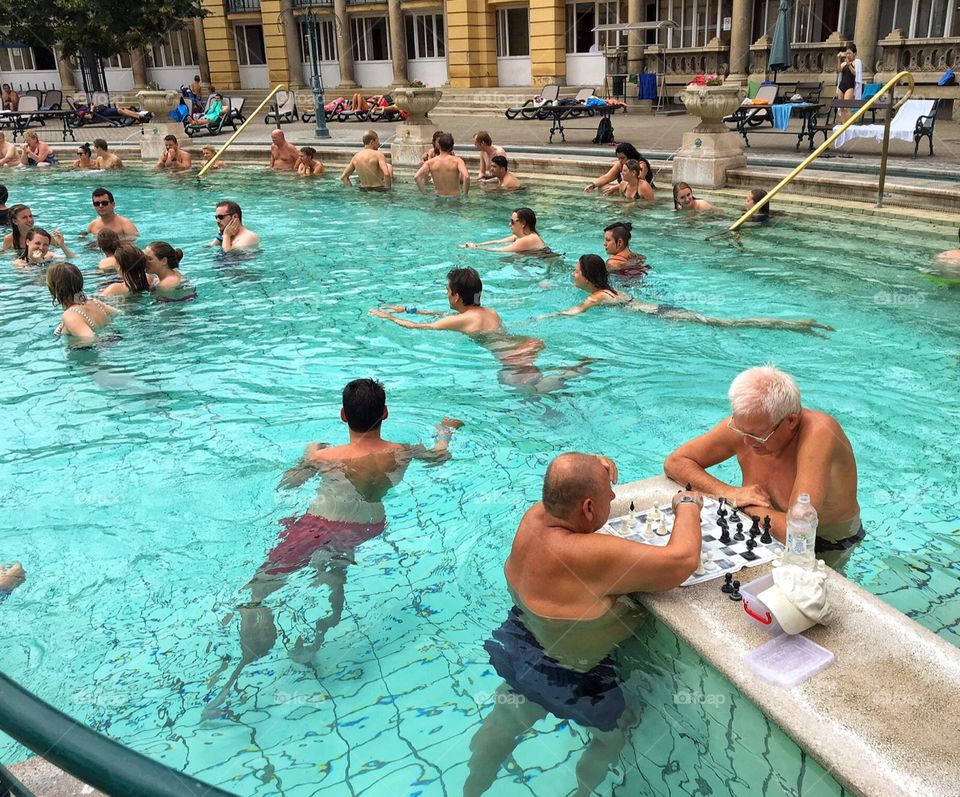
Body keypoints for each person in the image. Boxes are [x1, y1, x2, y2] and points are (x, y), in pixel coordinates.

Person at [202, 378, 463, 716]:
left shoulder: (326, 457)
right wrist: (445, 432)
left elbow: (288, 484)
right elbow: (440, 457)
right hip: (365, 527)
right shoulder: (401, 451)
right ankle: (314, 645)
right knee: (335, 576)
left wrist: (307, 457)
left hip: (317, 525)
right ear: (385, 413)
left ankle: (237, 672)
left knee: (258, 589)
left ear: (342, 415)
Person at [463, 454, 703, 797]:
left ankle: (471, 788)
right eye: (609, 493)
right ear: (588, 508)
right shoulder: (586, 553)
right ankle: (582, 793)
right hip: (571, 671)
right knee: (613, 735)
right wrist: (688, 505)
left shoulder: (533, 517)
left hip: (519, 641)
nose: (614, 497)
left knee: (502, 723)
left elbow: (568, 482)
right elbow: (682, 561)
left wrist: (595, 466)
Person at [664, 365, 864, 569]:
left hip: (828, 542)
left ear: (791, 421)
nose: (747, 443)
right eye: (742, 432)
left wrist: (743, 504)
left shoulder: (820, 434)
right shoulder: (748, 426)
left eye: (757, 436)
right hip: (765, 524)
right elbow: (675, 462)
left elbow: (796, 534)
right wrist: (731, 493)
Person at [370, 267, 590, 393]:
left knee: (531, 394)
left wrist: (388, 317)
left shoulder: (463, 320)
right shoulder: (486, 312)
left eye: (447, 290)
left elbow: (420, 328)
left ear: (456, 296)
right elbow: (446, 315)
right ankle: (574, 370)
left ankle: (571, 374)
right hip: (525, 343)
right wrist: (409, 309)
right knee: (535, 382)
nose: (446, 293)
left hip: (512, 357)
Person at [547, 255, 833, 334]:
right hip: (659, 309)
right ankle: (796, 325)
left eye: (575, 271)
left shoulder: (595, 297)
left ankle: (797, 325)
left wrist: (543, 316)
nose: (572, 275)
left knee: (727, 325)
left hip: (659, 315)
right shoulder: (609, 290)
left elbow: (572, 313)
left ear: (587, 276)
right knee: (724, 322)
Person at [47, 261, 118, 339]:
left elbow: (91, 339)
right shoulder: (95, 302)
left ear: (54, 289)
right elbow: (119, 313)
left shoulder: (70, 315)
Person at [460, 207, 551, 254]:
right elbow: (497, 242)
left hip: (548, 265)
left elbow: (500, 251)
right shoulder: (521, 236)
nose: (509, 224)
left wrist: (475, 248)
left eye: (512, 222)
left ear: (523, 223)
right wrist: (475, 244)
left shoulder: (528, 239)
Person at [414, 132, 469, 197]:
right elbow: (466, 176)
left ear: (439, 145)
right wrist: (465, 194)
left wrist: (424, 193)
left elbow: (416, 177)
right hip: (454, 197)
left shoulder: (430, 162)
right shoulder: (457, 161)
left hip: (438, 197)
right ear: (452, 146)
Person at [836, 43, 863, 123]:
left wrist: (849, 65)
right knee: (841, 108)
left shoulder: (856, 62)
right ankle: (843, 125)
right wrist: (838, 59)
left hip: (849, 86)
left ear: (854, 54)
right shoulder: (844, 63)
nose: (848, 55)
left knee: (847, 107)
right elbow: (839, 70)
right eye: (847, 53)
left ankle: (848, 125)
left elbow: (856, 73)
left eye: (849, 53)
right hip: (842, 86)